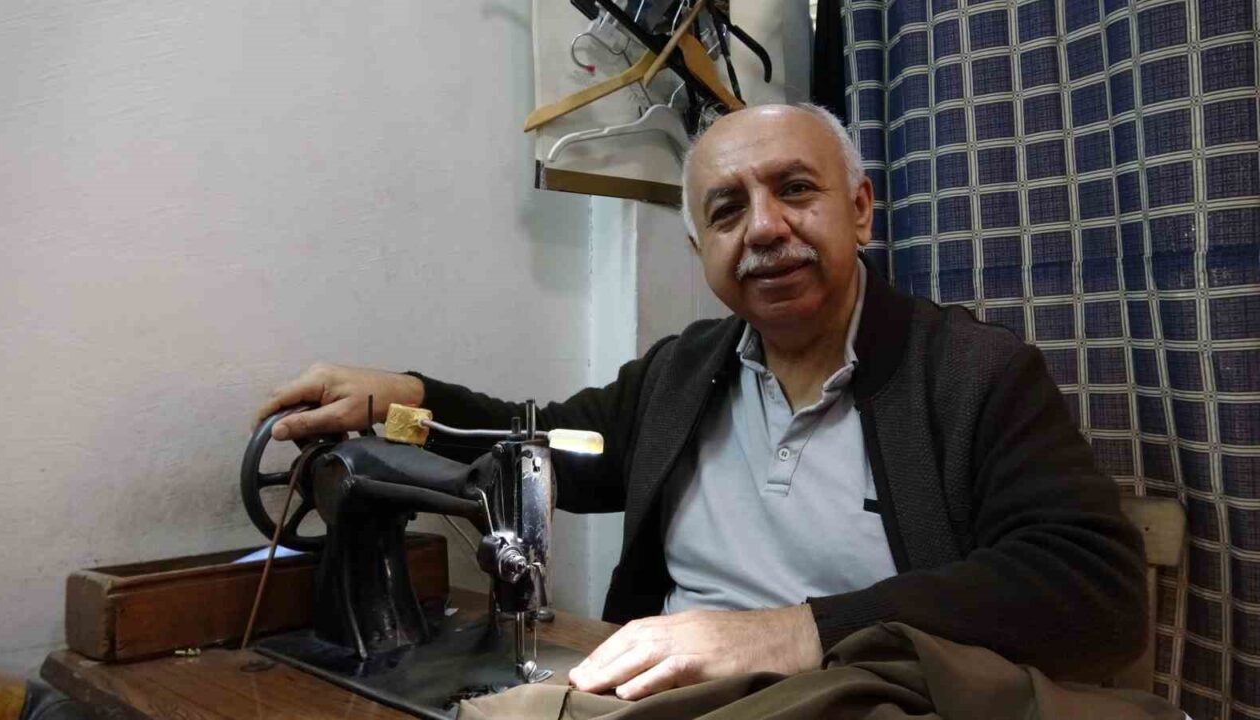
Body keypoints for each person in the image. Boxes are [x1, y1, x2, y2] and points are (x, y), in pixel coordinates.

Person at [255, 104, 1147, 701]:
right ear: (702, 253)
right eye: (726, 211)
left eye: (795, 189)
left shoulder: (975, 374)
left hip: (863, 698)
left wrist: (794, 633)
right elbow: (547, 446)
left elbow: (1096, 595)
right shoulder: (683, 373)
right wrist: (404, 402)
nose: (764, 228)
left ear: (861, 210)